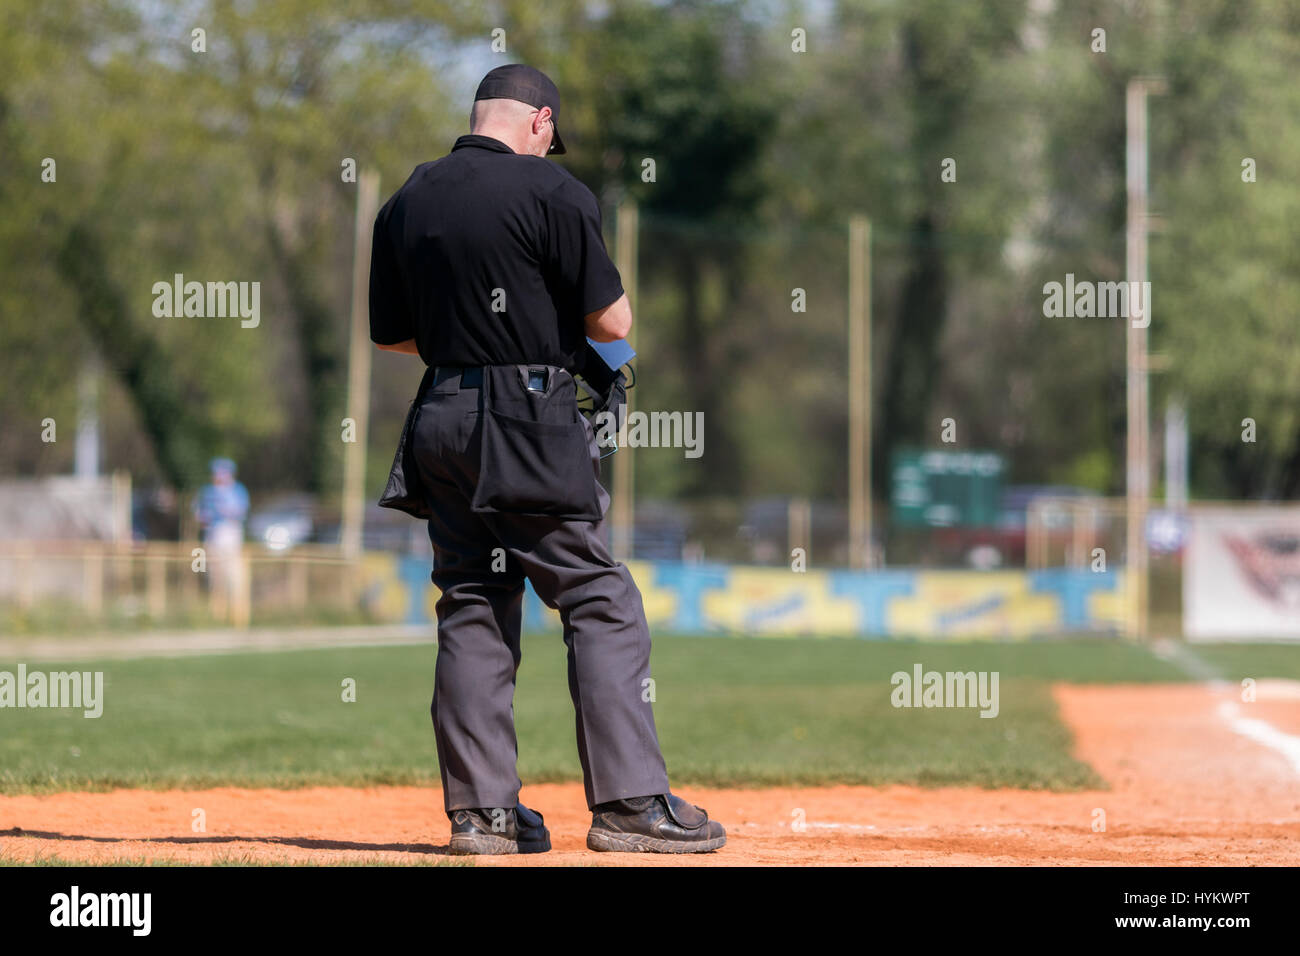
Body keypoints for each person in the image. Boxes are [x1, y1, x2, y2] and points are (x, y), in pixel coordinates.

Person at [369, 64, 725, 855]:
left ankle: (484, 817)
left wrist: (476, 342)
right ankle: (631, 803)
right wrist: (532, 345)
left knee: (471, 598)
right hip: (526, 418)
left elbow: (392, 334)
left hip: (441, 415)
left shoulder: (408, 200)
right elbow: (611, 318)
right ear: (540, 123)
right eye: (550, 136)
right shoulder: (552, 192)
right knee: (598, 598)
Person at [194, 457, 249, 622]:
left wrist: (224, 511)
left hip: (231, 535)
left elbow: (239, 513)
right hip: (212, 535)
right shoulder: (207, 492)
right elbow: (198, 513)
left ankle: (239, 615)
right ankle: (217, 615)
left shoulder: (237, 490)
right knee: (214, 577)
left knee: (234, 576)